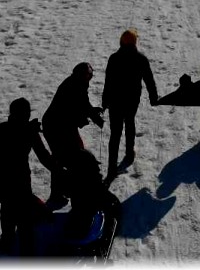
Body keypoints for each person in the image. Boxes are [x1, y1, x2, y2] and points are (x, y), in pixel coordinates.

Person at [0, 98, 54, 255]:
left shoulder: (3, 129)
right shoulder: (26, 131)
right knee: (24, 223)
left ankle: (6, 242)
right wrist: (60, 171)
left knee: (8, 213)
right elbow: (44, 157)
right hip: (17, 185)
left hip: (4, 184)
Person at [42, 63, 104, 207]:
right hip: (55, 127)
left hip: (64, 125)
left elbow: (83, 103)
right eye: (88, 75)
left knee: (74, 154)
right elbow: (70, 111)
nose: (90, 78)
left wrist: (94, 114)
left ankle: (68, 190)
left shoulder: (79, 84)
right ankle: (60, 193)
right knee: (63, 158)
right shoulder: (71, 87)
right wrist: (87, 118)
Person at [102, 29, 159, 174]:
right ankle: (129, 153)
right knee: (130, 123)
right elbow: (149, 80)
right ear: (134, 42)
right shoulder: (141, 59)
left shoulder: (114, 58)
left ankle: (112, 166)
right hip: (132, 100)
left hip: (115, 101)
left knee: (115, 133)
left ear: (121, 42)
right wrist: (153, 97)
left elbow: (108, 82)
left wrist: (105, 101)